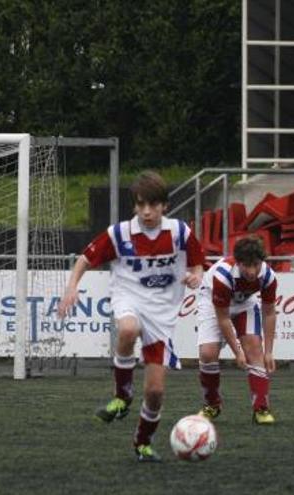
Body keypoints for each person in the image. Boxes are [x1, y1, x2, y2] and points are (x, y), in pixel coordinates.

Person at [57, 171, 205, 462]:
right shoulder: (120, 234)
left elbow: (199, 263)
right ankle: (122, 397)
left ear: (165, 205)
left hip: (162, 315)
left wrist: (196, 276)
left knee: (155, 392)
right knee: (127, 329)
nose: (147, 212)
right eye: (141, 205)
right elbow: (84, 260)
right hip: (129, 297)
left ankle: (142, 442)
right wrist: (71, 289)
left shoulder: (180, 232)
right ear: (134, 206)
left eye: (153, 205)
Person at [195, 236, 278, 425]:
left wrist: (269, 352)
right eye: (246, 266)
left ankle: (261, 408)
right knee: (207, 354)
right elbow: (223, 318)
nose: (252, 271)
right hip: (212, 301)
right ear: (238, 262)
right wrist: (237, 352)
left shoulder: (268, 276)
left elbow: (269, 313)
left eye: (255, 265)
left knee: (255, 350)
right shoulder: (223, 276)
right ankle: (212, 405)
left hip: (244, 303)